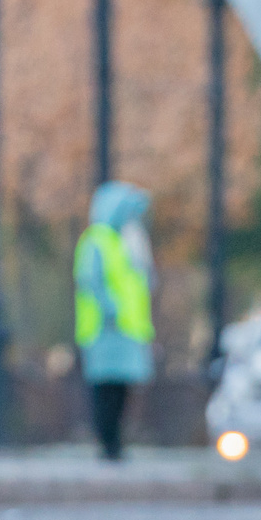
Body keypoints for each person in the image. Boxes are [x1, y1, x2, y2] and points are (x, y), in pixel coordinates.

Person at [74, 181, 156, 460]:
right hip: (104, 329)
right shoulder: (97, 240)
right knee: (106, 392)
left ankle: (115, 443)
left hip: (129, 330)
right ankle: (108, 444)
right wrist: (110, 309)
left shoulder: (130, 240)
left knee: (121, 391)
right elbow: (90, 281)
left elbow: (141, 282)